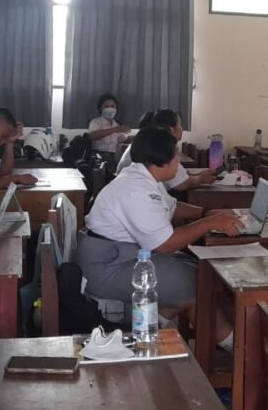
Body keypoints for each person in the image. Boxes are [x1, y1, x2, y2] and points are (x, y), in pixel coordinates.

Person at [77, 127, 241, 348]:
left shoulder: (144, 178)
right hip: (107, 268)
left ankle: (151, 325)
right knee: (198, 281)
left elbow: (171, 208)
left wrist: (205, 213)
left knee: (197, 269)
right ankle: (235, 347)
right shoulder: (136, 189)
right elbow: (165, 244)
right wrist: (210, 223)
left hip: (123, 257)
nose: (178, 162)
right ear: (161, 162)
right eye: (175, 157)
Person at [115, 109, 216, 190]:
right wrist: (201, 178)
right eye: (180, 124)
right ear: (171, 129)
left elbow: (177, 176)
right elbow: (181, 183)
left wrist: (198, 175)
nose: (181, 128)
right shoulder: (160, 145)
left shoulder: (151, 140)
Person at [87, 93, 129, 167]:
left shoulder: (117, 124)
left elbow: (123, 139)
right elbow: (92, 136)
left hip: (112, 158)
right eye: (106, 106)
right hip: (98, 156)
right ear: (100, 108)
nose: (110, 109)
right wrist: (116, 129)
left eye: (113, 106)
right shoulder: (96, 122)